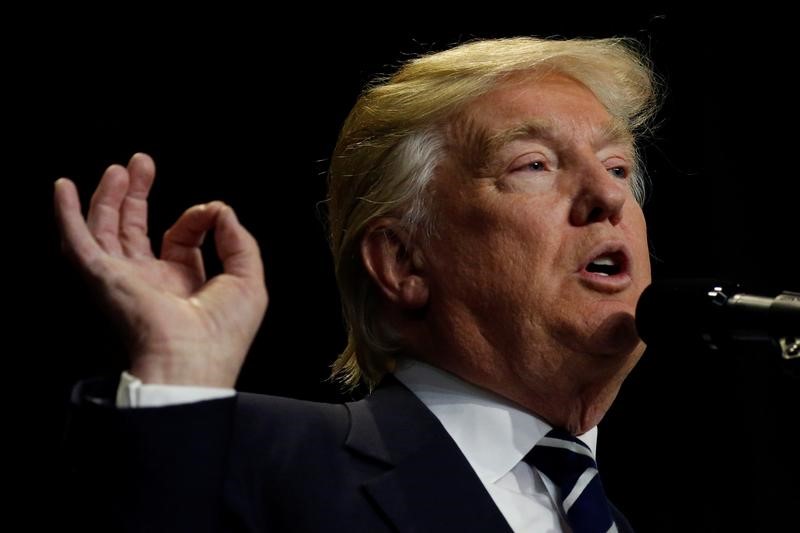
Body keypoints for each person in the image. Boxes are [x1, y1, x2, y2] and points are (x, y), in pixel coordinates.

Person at [55, 36, 658, 532]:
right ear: (401, 262)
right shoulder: (262, 461)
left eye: (617, 167)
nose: (608, 197)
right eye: (534, 165)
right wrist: (176, 375)